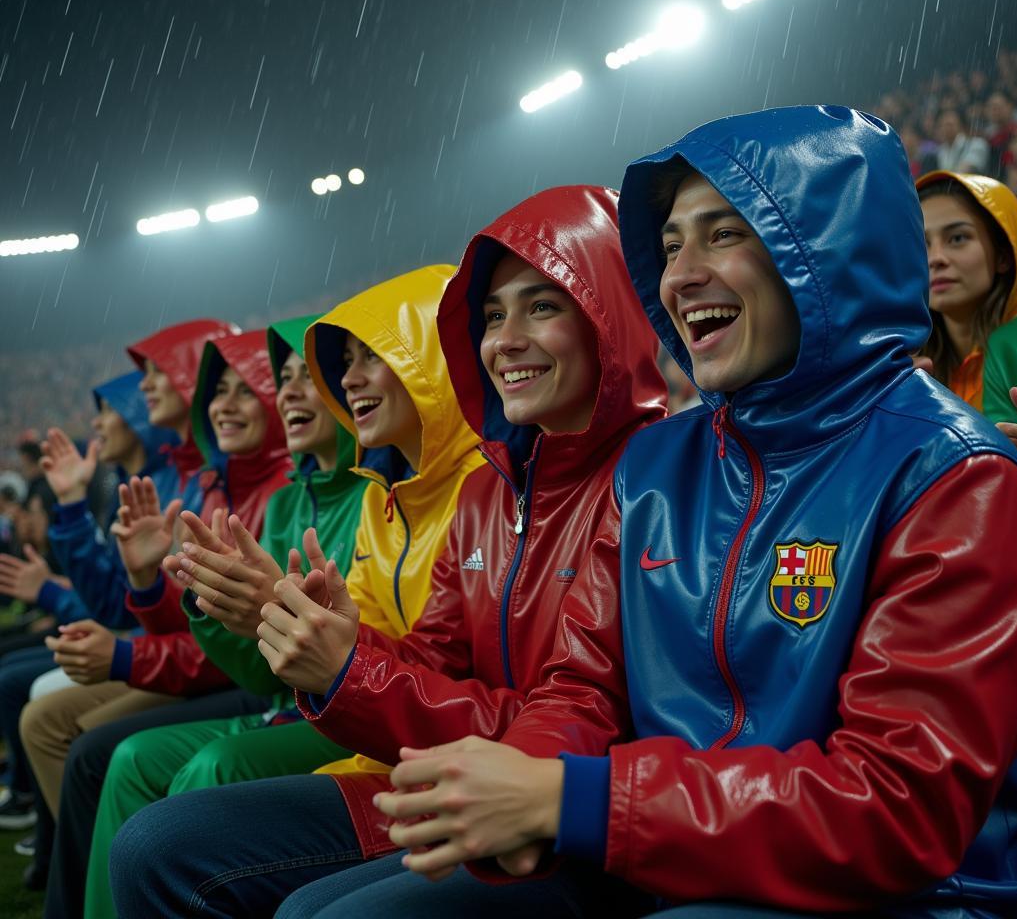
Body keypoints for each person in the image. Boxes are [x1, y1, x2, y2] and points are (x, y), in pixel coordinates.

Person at [326, 107, 1017, 919]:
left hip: (897, 896)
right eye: (669, 247)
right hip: (661, 846)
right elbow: (582, 691)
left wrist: (576, 800)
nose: (679, 274)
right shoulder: (658, 468)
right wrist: (520, 784)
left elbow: (899, 807)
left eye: (724, 234)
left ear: (827, 251)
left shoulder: (954, 475)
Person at [108, 186, 666, 919]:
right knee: (153, 840)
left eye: (543, 305)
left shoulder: (650, 480)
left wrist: (339, 665)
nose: (504, 338)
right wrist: (313, 639)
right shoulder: (485, 496)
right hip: (448, 764)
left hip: (554, 798)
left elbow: (580, 711)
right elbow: (429, 661)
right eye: (492, 315)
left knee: (277, 878)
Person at [80, 315, 369, 919]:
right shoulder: (276, 493)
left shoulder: (371, 494)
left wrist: (139, 638)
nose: (288, 392)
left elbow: (325, 663)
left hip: (342, 712)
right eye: (280, 378)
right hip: (286, 697)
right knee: (124, 756)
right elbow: (258, 671)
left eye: (305, 377)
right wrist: (185, 594)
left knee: (195, 764)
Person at [24, 328, 290, 919]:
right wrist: (138, 577)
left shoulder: (247, 487)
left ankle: (91, 878)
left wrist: (120, 649)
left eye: (154, 375)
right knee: (54, 715)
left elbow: (239, 650)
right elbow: (144, 609)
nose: (143, 391)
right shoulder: (206, 480)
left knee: (81, 738)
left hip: (249, 685)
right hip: (243, 677)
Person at [0, 371, 178, 850]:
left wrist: (55, 596)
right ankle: (72, 856)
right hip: (152, 647)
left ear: (139, 417)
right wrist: (72, 504)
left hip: (170, 656)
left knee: (33, 693)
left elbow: (124, 613)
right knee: (33, 692)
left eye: (107, 410)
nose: (96, 424)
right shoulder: (129, 484)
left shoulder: (167, 490)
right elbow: (113, 600)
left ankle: (70, 852)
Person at [917, 170, 1017, 412]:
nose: (936, 259)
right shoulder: (908, 364)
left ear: (1004, 255)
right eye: (922, 244)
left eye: (957, 238)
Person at [933, 108, 990, 173]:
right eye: (942, 125)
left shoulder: (977, 144)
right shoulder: (941, 150)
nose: (945, 128)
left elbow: (965, 171)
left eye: (949, 125)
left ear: (960, 126)